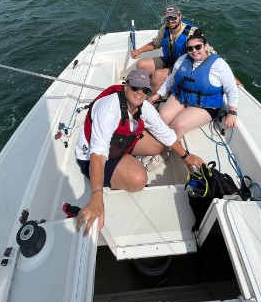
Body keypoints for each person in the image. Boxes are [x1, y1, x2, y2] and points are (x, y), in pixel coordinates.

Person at [75, 68, 206, 236]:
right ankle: (123, 169)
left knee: (162, 145)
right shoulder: (109, 109)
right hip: (93, 158)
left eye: (144, 89)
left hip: (120, 143)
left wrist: (186, 157)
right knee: (138, 179)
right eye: (135, 86)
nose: (139, 92)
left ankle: (125, 162)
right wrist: (96, 195)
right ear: (125, 86)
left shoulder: (144, 107)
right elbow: (98, 155)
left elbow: (165, 134)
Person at [148, 29, 239, 165]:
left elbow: (231, 89)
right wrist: (158, 94)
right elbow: (171, 80)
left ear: (205, 47)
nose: (194, 51)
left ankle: (164, 152)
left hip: (204, 105)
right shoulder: (182, 59)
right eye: (190, 48)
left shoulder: (219, 65)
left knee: (177, 125)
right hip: (182, 95)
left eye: (198, 47)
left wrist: (232, 112)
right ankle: (154, 144)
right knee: (163, 116)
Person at [131, 4, 207, 93]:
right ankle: (148, 88)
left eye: (174, 18)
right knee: (141, 65)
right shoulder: (164, 29)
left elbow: (205, 49)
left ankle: (155, 103)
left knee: (158, 75)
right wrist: (138, 51)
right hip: (169, 61)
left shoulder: (192, 32)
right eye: (167, 18)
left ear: (180, 16)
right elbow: (156, 43)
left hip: (183, 66)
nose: (170, 21)